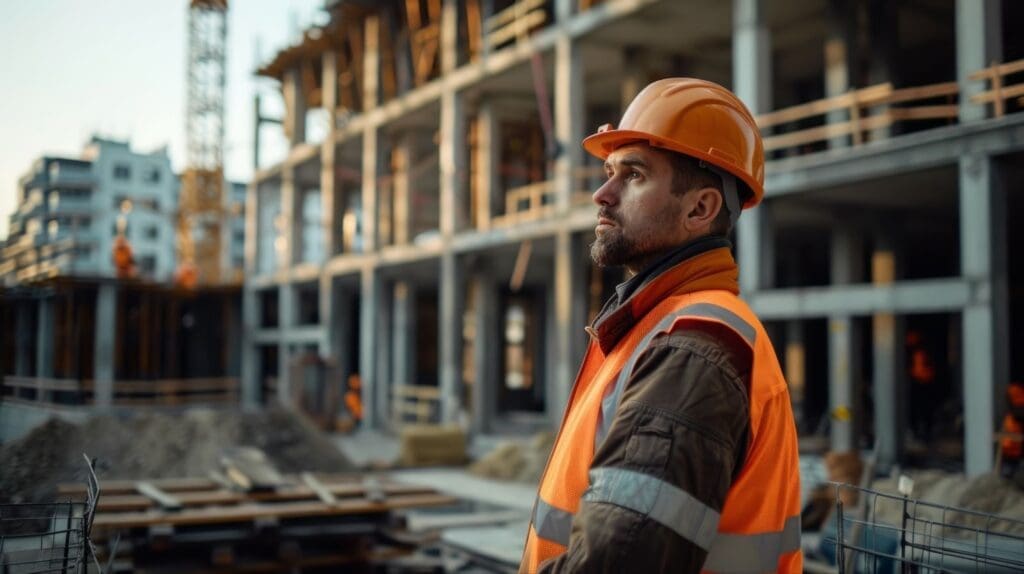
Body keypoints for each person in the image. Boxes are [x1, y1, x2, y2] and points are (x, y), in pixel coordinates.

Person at [520, 78, 802, 573]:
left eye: (633, 175)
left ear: (700, 208)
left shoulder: (695, 345)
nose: (601, 195)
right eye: (608, 171)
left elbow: (621, 561)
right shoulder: (658, 325)